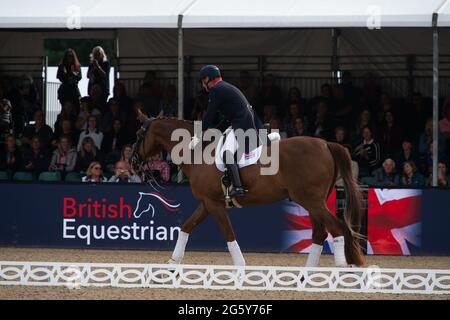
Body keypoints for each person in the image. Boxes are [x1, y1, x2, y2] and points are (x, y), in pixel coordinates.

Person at [191, 65, 266, 197]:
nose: (203, 86)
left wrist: (198, 135)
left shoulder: (216, 90)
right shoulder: (224, 87)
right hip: (243, 121)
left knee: (226, 153)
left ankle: (238, 187)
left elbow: (209, 115)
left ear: (208, 79)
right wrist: (216, 131)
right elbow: (228, 118)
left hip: (244, 124)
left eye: (203, 82)